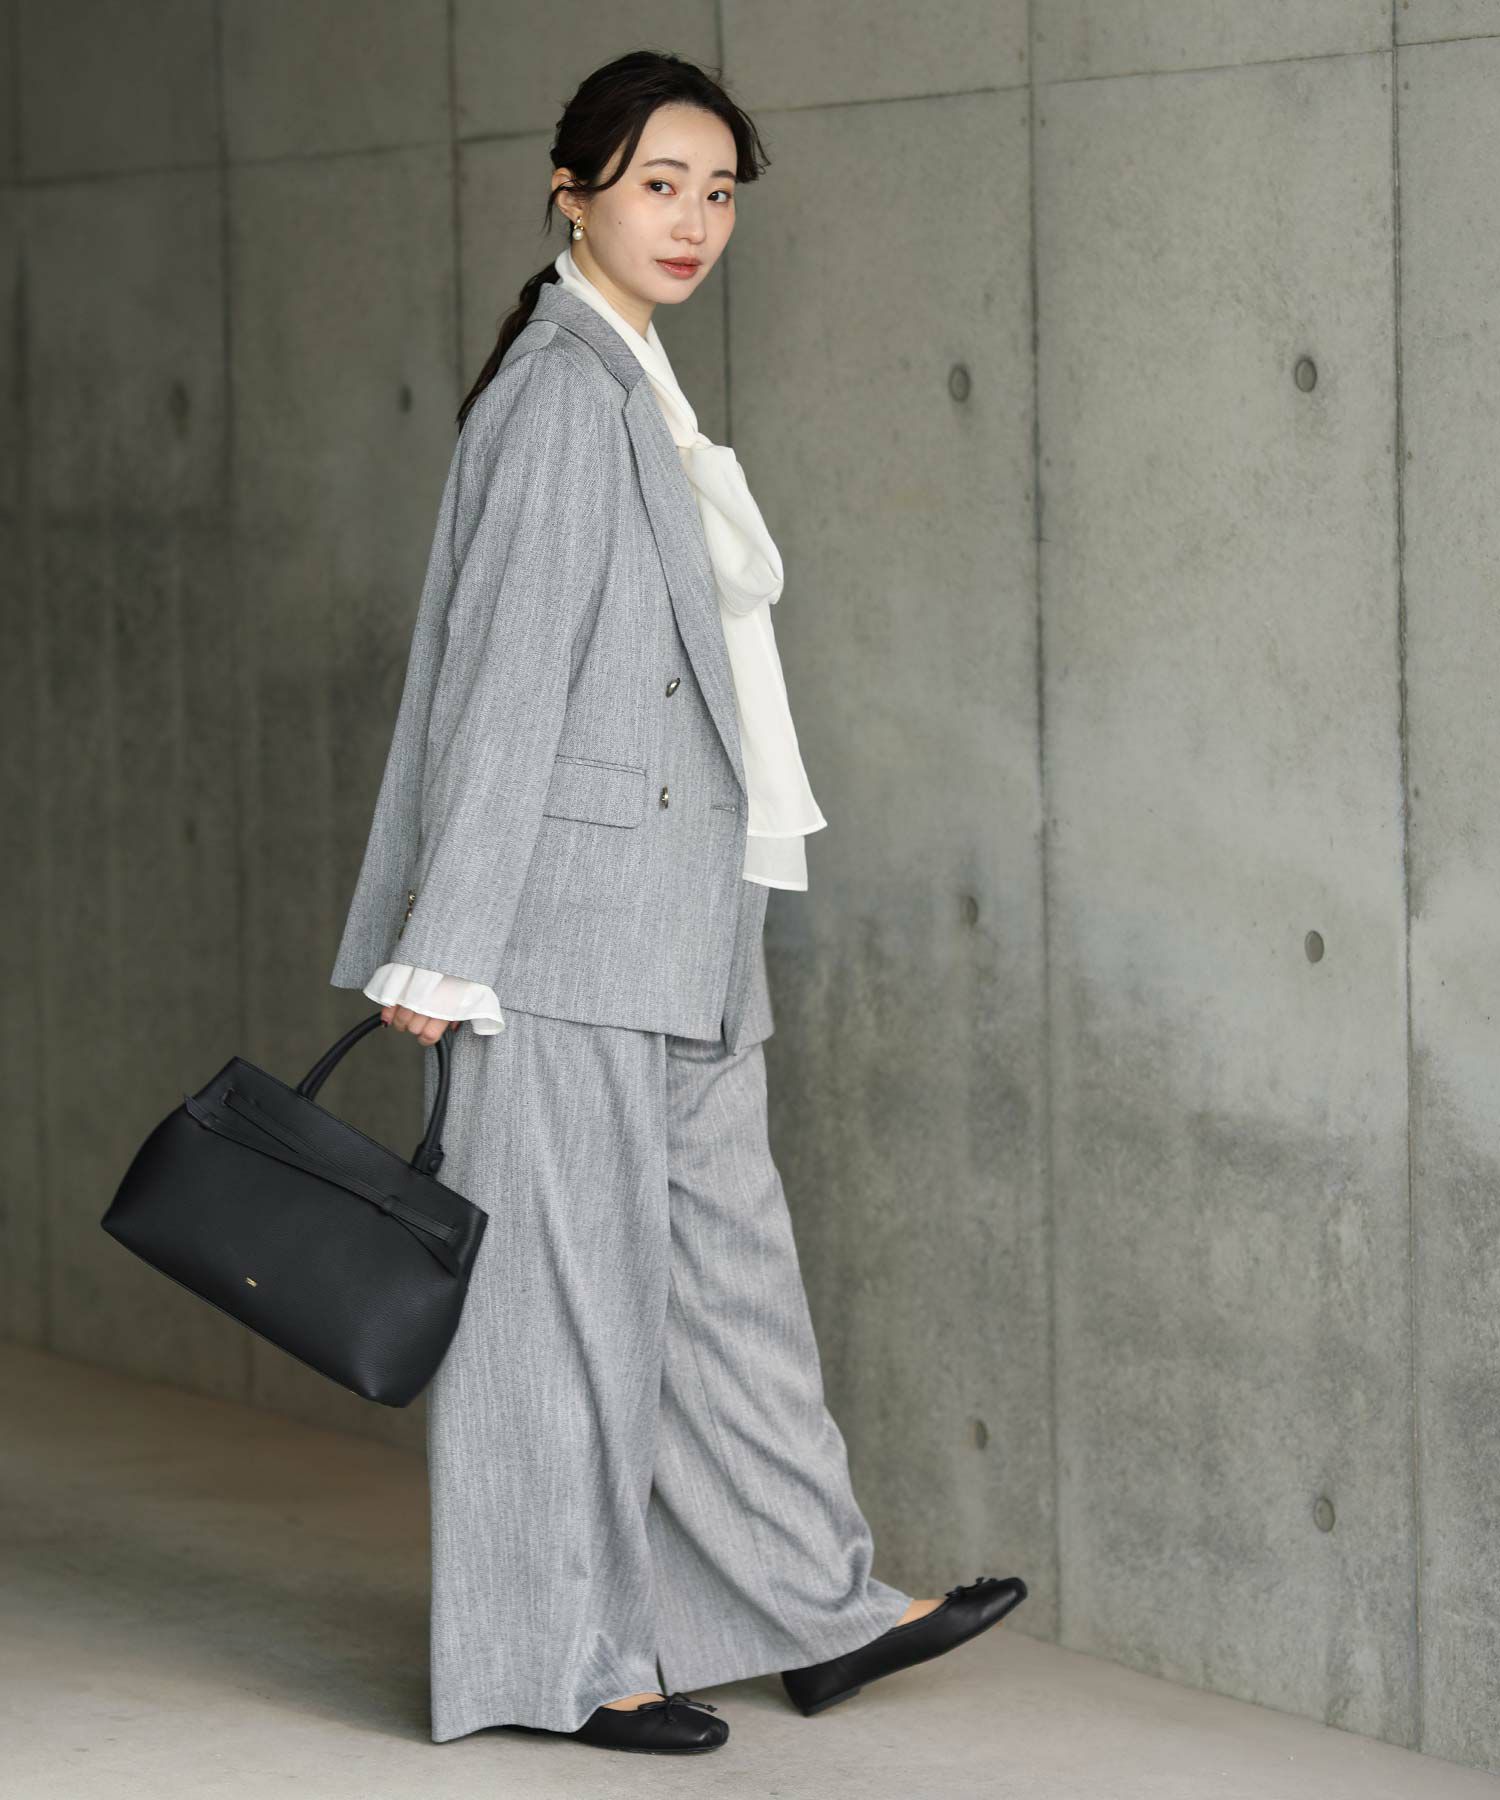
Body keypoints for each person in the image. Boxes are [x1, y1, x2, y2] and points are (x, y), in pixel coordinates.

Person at [329, 48, 1026, 1759]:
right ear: (572, 193)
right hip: (559, 933)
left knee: (726, 1289)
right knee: (558, 1315)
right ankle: (565, 1664)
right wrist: (446, 944)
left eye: (718, 192)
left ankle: (812, 1609)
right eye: (660, 183)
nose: (694, 219)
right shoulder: (562, 398)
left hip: (685, 911)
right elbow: (507, 687)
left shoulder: (639, 385)